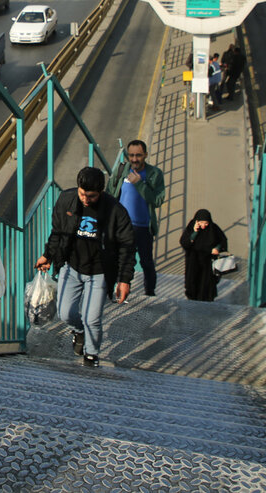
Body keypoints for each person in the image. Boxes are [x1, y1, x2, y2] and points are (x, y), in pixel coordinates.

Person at [34, 167, 135, 368]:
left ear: (101, 192)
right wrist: (48, 255)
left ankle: (91, 355)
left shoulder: (116, 211)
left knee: (92, 319)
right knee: (64, 313)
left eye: (91, 196)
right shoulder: (66, 200)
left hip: (99, 273)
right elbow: (58, 233)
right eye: (82, 194)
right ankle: (78, 331)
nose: (86, 200)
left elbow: (127, 246)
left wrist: (124, 280)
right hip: (71, 268)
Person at [104, 140, 166, 298]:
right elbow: (110, 193)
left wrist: (139, 184)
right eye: (131, 155)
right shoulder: (121, 170)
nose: (134, 159)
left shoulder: (154, 174)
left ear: (145, 155)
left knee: (146, 262)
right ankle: (114, 291)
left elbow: (157, 200)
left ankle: (149, 293)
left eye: (138, 155)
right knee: (117, 260)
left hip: (143, 227)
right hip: (121, 226)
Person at [180, 209, 228, 301]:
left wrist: (217, 248)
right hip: (193, 262)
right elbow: (185, 243)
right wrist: (194, 232)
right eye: (201, 222)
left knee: (207, 285)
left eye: (206, 223)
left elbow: (222, 240)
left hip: (208, 263)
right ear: (196, 221)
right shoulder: (191, 227)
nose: (203, 225)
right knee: (193, 283)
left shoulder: (213, 228)